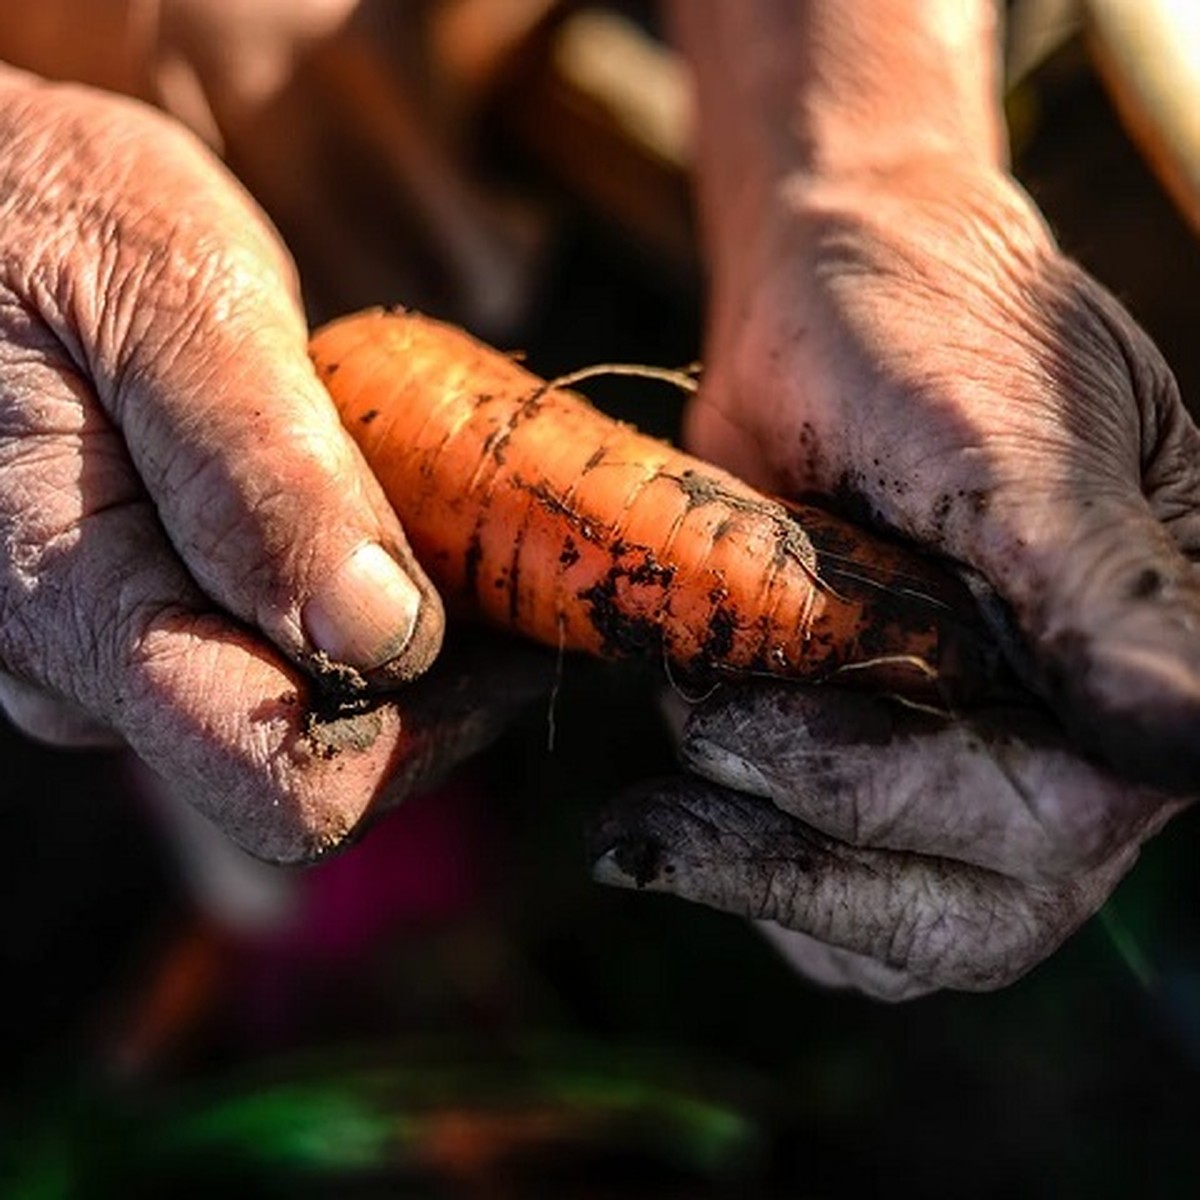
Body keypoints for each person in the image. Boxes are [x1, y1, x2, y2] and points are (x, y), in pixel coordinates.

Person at [0, 0, 1195, 997]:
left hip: (443, 119)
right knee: (179, 660)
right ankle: (322, 911)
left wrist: (870, 156)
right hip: (55, 353)